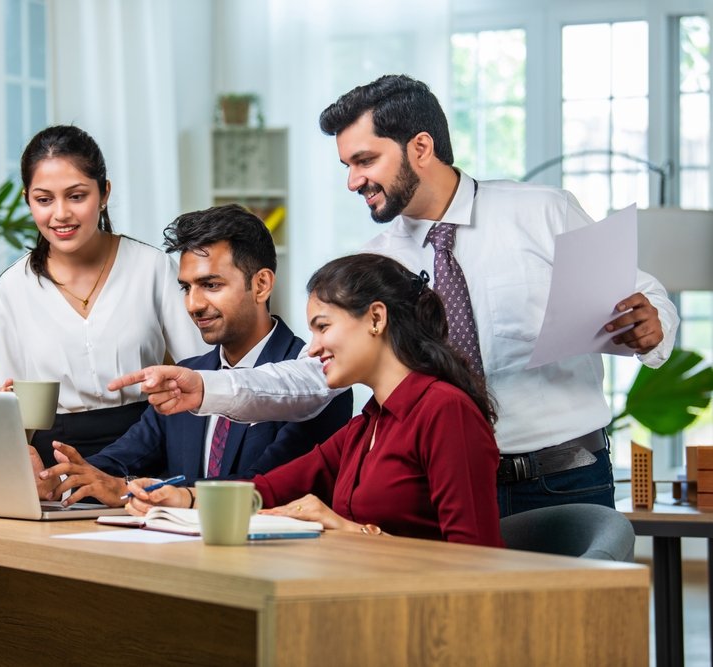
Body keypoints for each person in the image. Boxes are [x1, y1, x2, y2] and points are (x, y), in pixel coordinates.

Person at [110, 74, 680, 518]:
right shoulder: (375, 265)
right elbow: (314, 377)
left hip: (564, 478)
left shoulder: (542, 211)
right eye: (346, 165)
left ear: (421, 147)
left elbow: (642, 295)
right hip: (438, 483)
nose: (352, 180)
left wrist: (653, 327)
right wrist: (208, 385)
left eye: (364, 160)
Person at [125, 254, 504, 547]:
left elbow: (475, 558)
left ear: (376, 318)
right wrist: (183, 498)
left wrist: (348, 530)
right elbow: (269, 489)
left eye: (323, 326)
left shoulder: (444, 411)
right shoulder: (369, 424)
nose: (312, 348)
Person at [34, 204, 353, 506]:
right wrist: (58, 478)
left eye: (211, 284)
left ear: (261, 285)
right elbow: (121, 459)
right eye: (186, 288)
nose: (193, 304)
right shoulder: (186, 375)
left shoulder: (323, 378)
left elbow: (261, 487)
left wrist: (125, 490)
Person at [0, 125, 208, 462]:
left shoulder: (152, 268)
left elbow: (200, 372)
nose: (60, 213)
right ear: (27, 200)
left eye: (77, 196)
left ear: (104, 193)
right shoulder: (12, 288)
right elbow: (6, 402)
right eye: (44, 199)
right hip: (55, 462)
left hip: (147, 449)